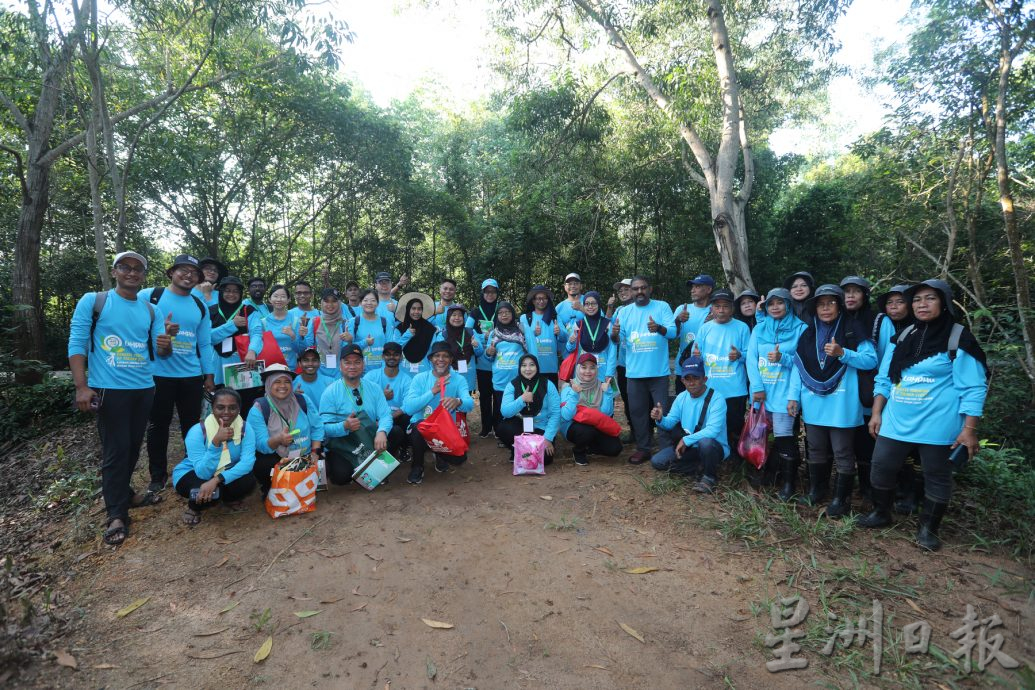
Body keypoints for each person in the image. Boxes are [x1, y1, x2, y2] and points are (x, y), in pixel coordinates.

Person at [860, 280, 987, 551]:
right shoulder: (905, 335)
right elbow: (884, 378)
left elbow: (974, 387)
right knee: (881, 466)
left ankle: (928, 529)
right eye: (916, 300)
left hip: (938, 423)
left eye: (929, 298)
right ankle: (881, 513)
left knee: (936, 475)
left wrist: (969, 429)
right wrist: (877, 413)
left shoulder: (957, 338)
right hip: (896, 419)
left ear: (944, 302)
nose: (922, 304)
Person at [68, 250, 170, 545]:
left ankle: (125, 494)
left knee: (133, 446)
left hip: (143, 387)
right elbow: (77, 342)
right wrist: (81, 386)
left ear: (143, 275)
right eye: (125, 267)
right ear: (115, 271)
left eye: (138, 268)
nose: (132, 272)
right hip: (108, 388)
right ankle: (116, 513)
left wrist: (166, 344)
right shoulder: (95, 301)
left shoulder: (151, 310)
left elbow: (160, 351)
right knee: (116, 450)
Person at [788, 285, 877, 517]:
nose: (825, 308)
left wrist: (843, 353)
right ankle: (817, 490)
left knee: (842, 451)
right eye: (820, 304)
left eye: (831, 303)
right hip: (813, 400)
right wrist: (793, 397)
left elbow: (870, 360)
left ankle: (842, 499)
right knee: (815, 447)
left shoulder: (853, 329)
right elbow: (799, 367)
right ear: (814, 308)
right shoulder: (807, 333)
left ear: (839, 306)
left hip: (843, 402)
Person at [140, 254, 215, 494]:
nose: (188, 275)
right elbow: (133, 329)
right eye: (182, 270)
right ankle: (157, 475)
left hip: (191, 375)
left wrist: (209, 375)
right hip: (157, 374)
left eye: (194, 272)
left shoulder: (199, 305)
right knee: (158, 425)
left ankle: (190, 468)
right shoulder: (151, 296)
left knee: (192, 427)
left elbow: (204, 344)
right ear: (171, 272)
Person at [746, 288, 807, 499]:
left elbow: (802, 365)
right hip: (762, 392)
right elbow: (751, 360)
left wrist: (793, 396)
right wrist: (756, 387)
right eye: (771, 303)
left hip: (785, 394)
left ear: (789, 305)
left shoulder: (801, 329)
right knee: (758, 434)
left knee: (784, 437)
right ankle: (766, 474)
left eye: (780, 303)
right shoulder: (760, 329)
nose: (775, 307)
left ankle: (789, 484)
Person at [611, 276, 677, 464]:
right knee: (637, 412)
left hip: (658, 373)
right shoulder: (624, 312)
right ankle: (643, 448)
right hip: (634, 373)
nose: (639, 292)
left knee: (661, 411)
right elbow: (617, 340)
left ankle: (665, 449)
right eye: (636, 289)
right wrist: (614, 334)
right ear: (631, 292)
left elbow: (673, 333)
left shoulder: (662, 307)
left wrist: (659, 328)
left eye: (643, 288)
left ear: (650, 289)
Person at [174, 388, 257, 525]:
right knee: (206, 492)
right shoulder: (197, 431)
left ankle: (227, 497)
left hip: (225, 471)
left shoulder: (245, 428)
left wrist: (217, 480)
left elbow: (247, 463)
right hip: (193, 472)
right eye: (220, 407)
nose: (226, 412)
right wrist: (216, 442)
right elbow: (202, 472)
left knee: (247, 481)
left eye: (232, 408)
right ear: (212, 408)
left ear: (239, 409)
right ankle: (194, 507)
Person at [874, 284, 922, 514]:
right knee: (894, 448)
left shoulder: (924, 330)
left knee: (915, 451)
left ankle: (912, 494)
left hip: (921, 401)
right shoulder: (887, 328)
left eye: (900, 302)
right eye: (890, 303)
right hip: (891, 396)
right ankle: (898, 491)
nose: (894, 308)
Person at [649, 356, 729, 494]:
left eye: (696, 378)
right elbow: (669, 424)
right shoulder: (681, 397)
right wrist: (660, 418)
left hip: (713, 447)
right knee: (657, 461)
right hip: (690, 447)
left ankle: (709, 477)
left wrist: (686, 440)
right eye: (688, 378)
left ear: (704, 379)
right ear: (682, 380)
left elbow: (713, 430)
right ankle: (699, 467)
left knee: (706, 443)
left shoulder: (717, 399)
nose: (691, 383)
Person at [402, 342, 475, 484]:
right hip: (422, 428)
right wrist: (432, 392)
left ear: (451, 360)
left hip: (445, 429)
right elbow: (409, 408)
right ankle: (417, 466)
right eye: (437, 356)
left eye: (445, 356)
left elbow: (470, 404)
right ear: (430, 359)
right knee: (418, 429)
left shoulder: (459, 379)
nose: (441, 359)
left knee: (460, 459)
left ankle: (439, 454)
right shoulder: (420, 378)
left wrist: (458, 401)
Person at [319, 344, 393, 485]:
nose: (352, 366)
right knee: (341, 478)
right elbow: (324, 428)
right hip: (345, 442)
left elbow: (385, 415)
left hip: (370, 437)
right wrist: (344, 426)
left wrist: (382, 431)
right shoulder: (330, 392)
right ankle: (356, 467)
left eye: (357, 362)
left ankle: (379, 468)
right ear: (340, 365)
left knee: (394, 433)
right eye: (347, 362)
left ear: (363, 365)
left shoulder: (374, 388)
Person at [247, 364, 324, 495]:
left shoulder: (302, 400)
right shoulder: (259, 409)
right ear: (268, 384)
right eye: (277, 381)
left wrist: (315, 452)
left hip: (306, 455)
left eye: (287, 381)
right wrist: (278, 439)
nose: (282, 386)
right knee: (263, 465)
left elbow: (317, 427)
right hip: (277, 458)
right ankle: (272, 488)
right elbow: (260, 445)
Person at [693, 288, 750, 458]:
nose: (721, 310)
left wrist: (739, 355)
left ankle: (736, 459)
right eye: (717, 306)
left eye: (725, 306)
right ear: (711, 308)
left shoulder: (742, 328)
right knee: (713, 425)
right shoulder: (705, 329)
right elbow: (696, 354)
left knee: (734, 425)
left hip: (735, 389)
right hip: (710, 388)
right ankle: (714, 456)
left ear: (732, 308)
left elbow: (751, 355)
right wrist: (696, 356)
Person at [840, 275, 880, 500]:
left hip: (869, 389)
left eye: (856, 291)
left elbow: (878, 358)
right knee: (848, 441)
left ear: (865, 295)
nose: (850, 296)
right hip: (845, 392)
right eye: (846, 292)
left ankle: (868, 488)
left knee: (867, 443)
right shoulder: (840, 319)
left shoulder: (876, 320)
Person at [208, 276, 263, 404]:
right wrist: (232, 325)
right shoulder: (211, 311)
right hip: (217, 366)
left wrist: (252, 351)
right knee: (221, 404)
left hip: (243, 364)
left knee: (245, 403)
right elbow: (208, 338)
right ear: (221, 292)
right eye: (227, 290)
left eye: (235, 291)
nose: (231, 294)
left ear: (241, 293)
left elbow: (256, 333)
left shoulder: (248, 311)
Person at [497, 354, 561, 464]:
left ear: (537, 367)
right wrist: (522, 399)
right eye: (524, 365)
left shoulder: (548, 384)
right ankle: (517, 451)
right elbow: (505, 412)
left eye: (532, 365)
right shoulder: (512, 384)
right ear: (519, 368)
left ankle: (524, 453)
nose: (528, 369)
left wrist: (548, 438)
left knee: (545, 459)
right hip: (521, 427)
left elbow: (555, 413)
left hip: (541, 428)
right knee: (503, 428)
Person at [560, 354, 622, 465]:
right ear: (578, 368)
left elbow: (606, 415)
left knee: (615, 448)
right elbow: (566, 416)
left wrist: (607, 394)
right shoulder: (569, 386)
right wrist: (574, 394)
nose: (588, 371)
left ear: (596, 369)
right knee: (586, 431)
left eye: (592, 367)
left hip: (596, 424)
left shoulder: (603, 385)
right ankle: (579, 452)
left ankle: (590, 447)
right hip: (573, 426)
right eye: (584, 367)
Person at [484, 301, 528, 445]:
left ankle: (520, 435)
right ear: (497, 316)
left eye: (507, 312)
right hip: (500, 380)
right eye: (501, 313)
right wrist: (488, 353)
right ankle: (501, 435)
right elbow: (488, 356)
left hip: (518, 379)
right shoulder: (493, 333)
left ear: (512, 314)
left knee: (519, 408)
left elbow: (528, 352)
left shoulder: (521, 331)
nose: (504, 315)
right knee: (500, 408)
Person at [363, 341, 412, 460]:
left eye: (395, 354)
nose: (391, 357)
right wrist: (381, 397)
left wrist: (388, 419)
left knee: (407, 419)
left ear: (401, 357)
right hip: (373, 418)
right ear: (383, 356)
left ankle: (401, 449)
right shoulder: (371, 376)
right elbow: (361, 399)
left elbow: (407, 406)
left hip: (395, 417)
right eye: (388, 354)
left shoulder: (407, 380)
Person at [563, 291, 616, 384]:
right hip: (583, 373)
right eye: (587, 304)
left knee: (604, 398)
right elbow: (569, 349)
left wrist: (610, 373)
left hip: (603, 373)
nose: (590, 307)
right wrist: (571, 342)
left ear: (599, 304)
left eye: (593, 303)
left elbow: (612, 350)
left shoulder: (607, 324)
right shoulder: (578, 324)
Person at [433, 304, 484, 393]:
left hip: (468, 378)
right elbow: (437, 357)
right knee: (448, 404)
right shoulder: (442, 335)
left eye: (460, 315)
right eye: (454, 315)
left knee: (465, 404)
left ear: (464, 318)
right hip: (449, 377)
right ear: (448, 317)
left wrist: (476, 346)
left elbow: (480, 353)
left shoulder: (471, 332)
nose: (457, 318)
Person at [521, 285, 567, 384]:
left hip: (551, 367)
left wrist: (559, 332)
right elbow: (520, 339)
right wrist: (533, 333)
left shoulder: (555, 317)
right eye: (538, 298)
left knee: (551, 398)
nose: (541, 301)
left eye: (544, 298)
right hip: (531, 369)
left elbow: (564, 338)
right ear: (533, 301)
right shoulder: (525, 318)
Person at [254, 284, 305, 370]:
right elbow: (258, 346)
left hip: (290, 369)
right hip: (269, 369)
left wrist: (293, 336)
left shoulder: (296, 321)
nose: (279, 299)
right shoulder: (263, 322)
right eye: (276, 296)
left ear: (288, 299)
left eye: (283, 296)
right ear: (270, 299)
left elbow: (301, 350)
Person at [473, 278, 501, 437]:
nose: (490, 294)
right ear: (482, 293)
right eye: (487, 291)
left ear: (496, 293)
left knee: (498, 395)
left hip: (500, 362)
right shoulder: (476, 312)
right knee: (484, 396)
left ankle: (497, 426)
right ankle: (486, 427)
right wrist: (480, 336)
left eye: (493, 291)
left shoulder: (502, 309)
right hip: (482, 362)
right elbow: (468, 330)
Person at [344, 289, 395, 372]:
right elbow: (348, 350)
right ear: (360, 303)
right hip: (359, 372)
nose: (369, 303)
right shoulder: (353, 322)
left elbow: (390, 348)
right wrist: (363, 342)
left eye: (373, 300)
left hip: (381, 372)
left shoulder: (385, 322)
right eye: (365, 300)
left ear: (377, 303)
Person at [305, 288, 350, 378]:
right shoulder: (315, 322)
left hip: (340, 374)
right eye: (326, 301)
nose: (330, 304)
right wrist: (299, 337)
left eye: (334, 301)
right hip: (318, 374)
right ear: (322, 303)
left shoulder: (345, 323)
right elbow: (306, 345)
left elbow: (347, 351)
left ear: (339, 303)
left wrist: (350, 340)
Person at [608, 278, 634, 428]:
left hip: (639, 361)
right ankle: (633, 429)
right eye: (620, 291)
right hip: (623, 361)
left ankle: (647, 430)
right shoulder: (619, 310)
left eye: (626, 289)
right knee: (626, 396)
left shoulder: (641, 308)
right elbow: (606, 324)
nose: (623, 293)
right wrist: (610, 306)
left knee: (639, 398)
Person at [394, 292, 437, 375]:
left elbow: (433, 352)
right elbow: (395, 349)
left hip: (424, 372)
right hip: (404, 373)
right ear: (408, 309)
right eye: (413, 308)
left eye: (419, 309)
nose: (416, 312)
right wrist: (407, 335)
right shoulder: (400, 328)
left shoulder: (430, 329)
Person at [674, 274, 715, 357]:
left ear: (709, 289)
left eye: (697, 287)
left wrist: (716, 323)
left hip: (708, 362)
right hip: (684, 364)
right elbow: (672, 335)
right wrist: (677, 320)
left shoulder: (717, 310)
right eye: (692, 287)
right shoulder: (682, 309)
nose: (692, 290)